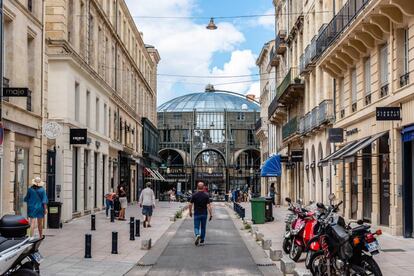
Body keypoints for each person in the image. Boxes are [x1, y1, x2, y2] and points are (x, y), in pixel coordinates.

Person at [189, 182, 213, 246]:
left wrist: (190, 212)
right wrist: (211, 214)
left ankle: (197, 234)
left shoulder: (194, 195)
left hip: (196, 213)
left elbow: (190, 204)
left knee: (196, 226)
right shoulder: (206, 195)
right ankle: (202, 239)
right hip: (204, 214)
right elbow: (208, 206)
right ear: (203, 187)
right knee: (203, 227)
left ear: (197, 187)